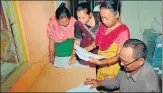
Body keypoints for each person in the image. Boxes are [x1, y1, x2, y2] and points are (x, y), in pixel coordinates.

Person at [84, 39, 162, 92]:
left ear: (140, 61)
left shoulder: (150, 86)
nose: (121, 64)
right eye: (120, 59)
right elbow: (118, 81)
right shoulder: (127, 65)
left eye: (125, 61)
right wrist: (100, 82)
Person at [69, 2, 101, 67]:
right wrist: (73, 55)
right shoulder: (78, 24)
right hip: (87, 51)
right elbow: (77, 41)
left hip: (102, 50)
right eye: (78, 18)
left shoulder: (100, 17)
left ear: (90, 14)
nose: (80, 20)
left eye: (83, 18)